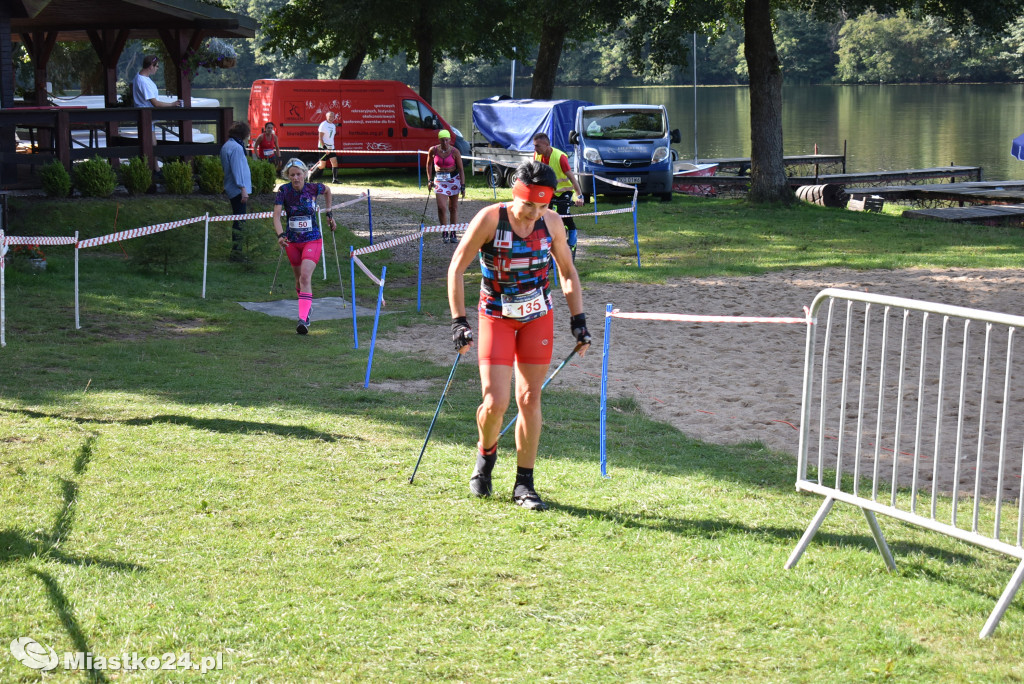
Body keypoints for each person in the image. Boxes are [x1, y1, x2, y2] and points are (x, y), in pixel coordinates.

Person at [447, 161, 591, 511]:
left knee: (529, 399)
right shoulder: (490, 219)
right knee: (495, 403)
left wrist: (579, 319)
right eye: (529, 206)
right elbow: (456, 268)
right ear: (516, 193)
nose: (534, 214)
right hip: (496, 317)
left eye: (542, 206)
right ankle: (485, 457)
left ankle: (524, 484)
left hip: (537, 318)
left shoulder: (552, 223)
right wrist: (458, 321)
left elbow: (568, 272)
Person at [273, 158, 337, 335]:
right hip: (292, 242)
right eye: (292, 175)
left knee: (305, 277)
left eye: (298, 174)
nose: (295, 178)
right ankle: (306, 307)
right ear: (288, 176)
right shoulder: (283, 191)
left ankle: (303, 320)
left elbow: (328, 190)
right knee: (298, 279)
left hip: (312, 240)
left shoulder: (313, 188)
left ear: (304, 174)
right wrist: (280, 235)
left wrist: (329, 212)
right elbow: (277, 216)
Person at [531, 132, 585, 259]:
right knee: (544, 216)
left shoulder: (560, 157)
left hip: (565, 191)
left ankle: (572, 239)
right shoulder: (536, 156)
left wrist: (580, 196)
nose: (535, 149)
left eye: (537, 146)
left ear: (547, 145)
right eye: (534, 146)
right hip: (550, 192)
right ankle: (548, 245)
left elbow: (572, 178)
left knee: (563, 214)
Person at [425, 129, 466, 244]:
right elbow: (428, 164)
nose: (445, 143)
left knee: (453, 208)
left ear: (450, 140)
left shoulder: (455, 151)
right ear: (439, 140)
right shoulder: (433, 150)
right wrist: (429, 180)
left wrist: (463, 185)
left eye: (447, 140)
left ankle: (453, 232)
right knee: (441, 207)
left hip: (453, 180)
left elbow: (461, 169)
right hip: (439, 181)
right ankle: (444, 231)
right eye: (442, 140)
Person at [220, 121, 252, 262]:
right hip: (237, 189)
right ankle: (236, 253)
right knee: (240, 221)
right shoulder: (237, 148)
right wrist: (243, 188)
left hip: (231, 187)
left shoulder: (227, 145)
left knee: (238, 219)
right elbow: (237, 170)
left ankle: (236, 251)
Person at [311, 112, 339, 183]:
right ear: (326, 117)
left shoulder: (333, 125)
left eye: (333, 116)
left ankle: (334, 179)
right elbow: (320, 138)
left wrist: (331, 146)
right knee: (322, 165)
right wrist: (325, 148)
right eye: (330, 116)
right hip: (323, 147)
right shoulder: (323, 125)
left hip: (331, 147)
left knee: (334, 162)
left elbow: (331, 137)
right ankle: (311, 175)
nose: (331, 118)